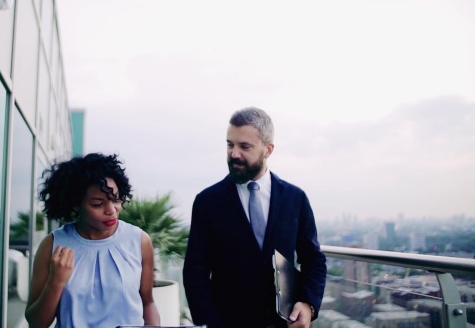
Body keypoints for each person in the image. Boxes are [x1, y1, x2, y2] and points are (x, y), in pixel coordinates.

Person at [183, 107, 327, 328]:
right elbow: (195, 272)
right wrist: (209, 324)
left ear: (268, 150)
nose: (234, 153)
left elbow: (314, 260)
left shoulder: (295, 199)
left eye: (244, 146)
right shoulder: (207, 202)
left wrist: (308, 304)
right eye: (230, 144)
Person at [25, 153, 160, 328]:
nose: (111, 210)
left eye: (116, 199)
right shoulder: (53, 245)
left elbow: (147, 302)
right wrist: (55, 282)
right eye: (98, 204)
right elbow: (36, 323)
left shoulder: (139, 241)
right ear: (75, 205)